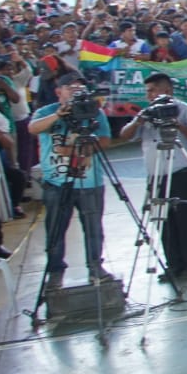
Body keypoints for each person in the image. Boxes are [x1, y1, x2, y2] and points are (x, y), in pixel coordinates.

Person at [119, 72, 187, 281]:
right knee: (163, 221)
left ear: (166, 90)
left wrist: (177, 125)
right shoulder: (147, 113)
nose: (149, 95)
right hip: (156, 175)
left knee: (185, 219)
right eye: (147, 92)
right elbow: (124, 135)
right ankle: (173, 264)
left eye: (152, 90)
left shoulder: (186, 110)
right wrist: (139, 121)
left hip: (181, 172)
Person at [30, 71, 113, 287]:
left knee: (93, 227)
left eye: (80, 87)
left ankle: (96, 266)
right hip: (57, 183)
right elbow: (33, 128)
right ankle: (55, 268)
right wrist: (59, 114)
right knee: (56, 227)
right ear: (59, 92)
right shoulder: (46, 111)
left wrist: (78, 148)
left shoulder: (94, 111)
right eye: (71, 88)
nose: (77, 91)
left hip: (89, 182)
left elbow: (105, 140)